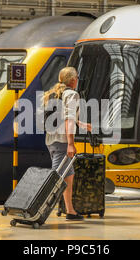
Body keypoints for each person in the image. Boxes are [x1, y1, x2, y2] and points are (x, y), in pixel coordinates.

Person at [43, 67, 91, 221]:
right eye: (77, 77)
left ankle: (70, 210)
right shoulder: (72, 94)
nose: (78, 79)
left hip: (51, 140)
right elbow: (68, 119)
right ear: (72, 80)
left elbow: (61, 116)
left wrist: (80, 124)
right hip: (63, 142)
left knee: (68, 176)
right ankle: (37, 208)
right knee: (56, 178)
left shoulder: (54, 93)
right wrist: (71, 143)